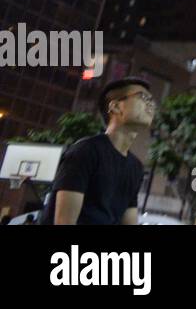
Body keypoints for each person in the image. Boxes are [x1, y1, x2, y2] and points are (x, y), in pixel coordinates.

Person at [42, 76, 154, 225]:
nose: (150, 104)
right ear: (115, 107)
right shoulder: (86, 151)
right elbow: (64, 222)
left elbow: (129, 220)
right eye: (142, 97)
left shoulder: (136, 167)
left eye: (151, 100)